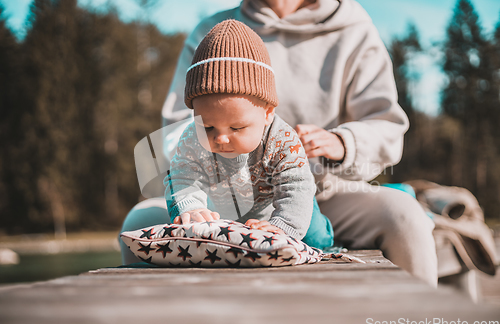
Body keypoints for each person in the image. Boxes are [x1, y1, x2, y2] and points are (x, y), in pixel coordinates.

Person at [121, 0, 438, 287]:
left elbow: (386, 126)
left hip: (325, 192)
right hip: (217, 200)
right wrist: (199, 202)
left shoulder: (354, 28)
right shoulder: (211, 33)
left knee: (404, 216)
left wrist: (341, 142)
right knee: (137, 221)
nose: (220, 135)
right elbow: (177, 133)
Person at [165, 19, 321, 241]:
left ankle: (328, 238)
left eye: (236, 127)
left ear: (267, 113)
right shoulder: (192, 138)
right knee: (182, 207)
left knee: (316, 236)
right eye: (207, 126)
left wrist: (283, 225)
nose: (220, 138)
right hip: (224, 212)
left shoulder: (283, 140)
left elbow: (296, 185)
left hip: (282, 209)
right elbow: (182, 176)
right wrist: (191, 208)